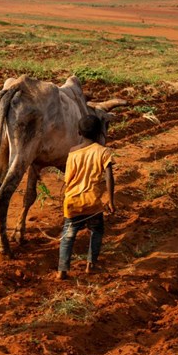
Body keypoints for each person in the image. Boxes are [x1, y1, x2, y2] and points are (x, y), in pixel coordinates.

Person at [57, 114, 116, 280]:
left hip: (72, 201)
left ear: (78, 132)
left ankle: (62, 270)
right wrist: (110, 201)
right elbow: (110, 176)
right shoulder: (104, 152)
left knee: (68, 236)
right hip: (93, 203)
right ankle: (91, 265)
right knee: (96, 231)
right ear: (100, 133)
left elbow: (67, 178)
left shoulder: (73, 152)